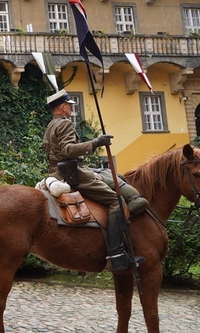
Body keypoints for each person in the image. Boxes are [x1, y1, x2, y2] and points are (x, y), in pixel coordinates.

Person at [43, 89, 141, 272]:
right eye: (69, 106)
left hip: (56, 171)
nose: (71, 109)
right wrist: (96, 143)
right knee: (116, 201)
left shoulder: (51, 125)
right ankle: (117, 254)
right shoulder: (64, 124)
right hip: (72, 173)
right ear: (63, 107)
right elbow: (67, 150)